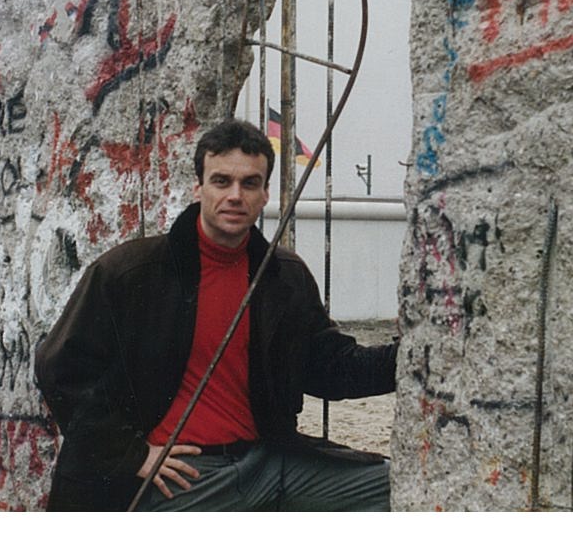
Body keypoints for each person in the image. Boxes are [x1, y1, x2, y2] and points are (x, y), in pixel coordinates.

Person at [35, 118, 397, 511]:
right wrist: (132, 455)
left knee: (403, 488)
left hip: (268, 461)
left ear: (265, 194)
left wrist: (414, 359)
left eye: (250, 183)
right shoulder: (130, 272)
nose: (235, 196)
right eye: (221, 181)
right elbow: (60, 369)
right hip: (182, 475)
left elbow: (330, 366)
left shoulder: (282, 275)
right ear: (198, 188)